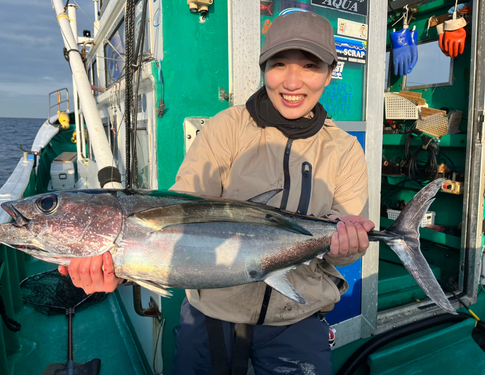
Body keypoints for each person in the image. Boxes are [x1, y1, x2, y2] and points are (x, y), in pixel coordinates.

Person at [59, 10, 375, 375]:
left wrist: (349, 246)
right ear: (263, 66)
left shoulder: (345, 149)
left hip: (297, 314)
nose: (292, 81)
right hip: (213, 313)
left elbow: (340, 253)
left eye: (310, 65)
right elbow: (176, 220)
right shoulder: (228, 127)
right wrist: (121, 266)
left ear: (329, 72)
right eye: (278, 63)